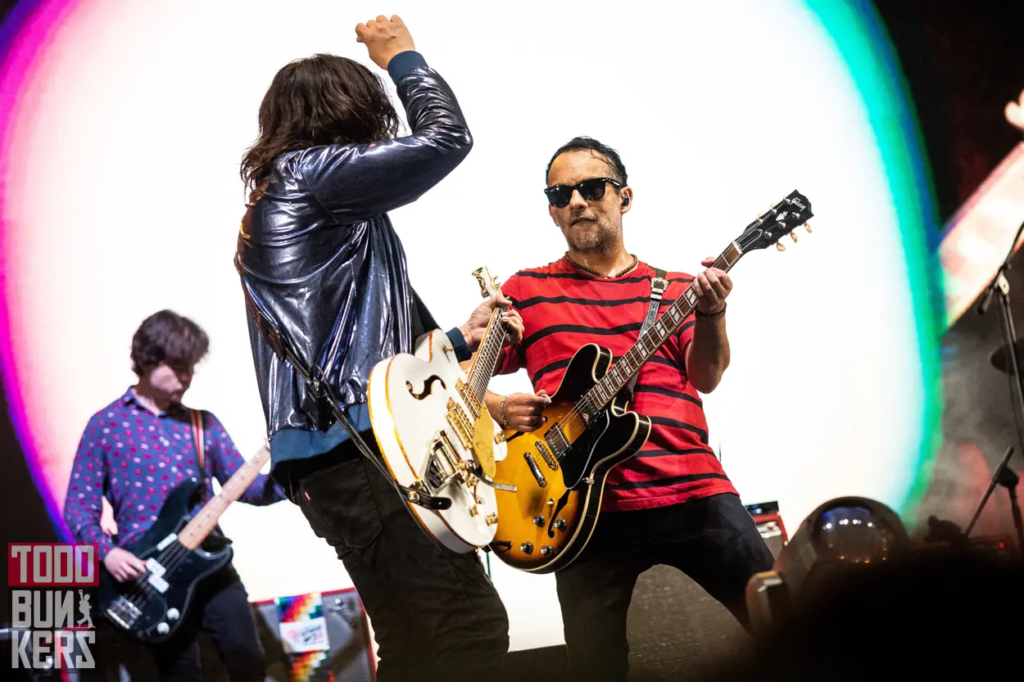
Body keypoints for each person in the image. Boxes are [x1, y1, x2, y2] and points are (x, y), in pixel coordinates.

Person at [235, 15, 518, 682]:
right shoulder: (311, 174)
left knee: (416, 645)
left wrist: (456, 338)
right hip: (362, 454)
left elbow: (355, 336)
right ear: (345, 108)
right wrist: (404, 57)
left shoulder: (298, 197)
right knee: (468, 630)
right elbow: (447, 139)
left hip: (335, 461)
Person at [485, 136, 776, 681]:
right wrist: (500, 406)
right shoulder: (525, 290)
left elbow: (706, 377)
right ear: (551, 210)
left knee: (783, 623)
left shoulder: (679, 289)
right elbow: (461, 382)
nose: (576, 201)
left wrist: (713, 315)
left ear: (625, 197)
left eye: (591, 188)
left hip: (693, 491)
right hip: (583, 514)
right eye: (560, 193)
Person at [64, 309, 284, 682]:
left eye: (191, 367)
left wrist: (293, 477)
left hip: (209, 565)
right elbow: (78, 509)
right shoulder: (106, 426)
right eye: (178, 365)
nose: (186, 377)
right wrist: (109, 553)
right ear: (148, 359)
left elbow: (247, 488)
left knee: (247, 657)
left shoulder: (202, 425)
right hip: (147, 577)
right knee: (182, 674)